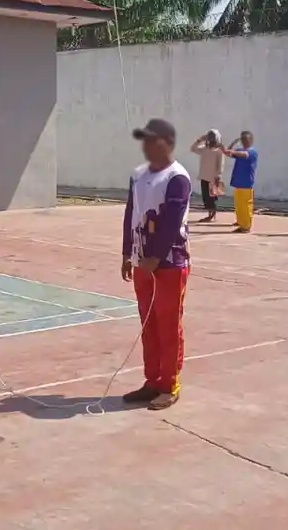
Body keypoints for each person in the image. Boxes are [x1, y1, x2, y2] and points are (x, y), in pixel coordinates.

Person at [120, 118, 191, 411]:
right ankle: (152, 380)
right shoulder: (137, 176)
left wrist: (155, 257)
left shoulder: (178, 178)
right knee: (148, 324)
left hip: (170, 264)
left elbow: (173, 222)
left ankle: (170, 383)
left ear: (167, 143)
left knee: (168, 324)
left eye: (152, 140)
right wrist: (127, 253)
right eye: (144, 141)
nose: (147, 146)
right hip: (141, 263)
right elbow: (130, 214)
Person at [222, 131, 259, 233]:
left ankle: (246, 226)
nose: (244, 141)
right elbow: (227, 152)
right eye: (242, 139)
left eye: (246, 139)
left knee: (246, 205)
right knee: (239, 205)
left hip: (247, 183)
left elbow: (244, 154)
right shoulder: (239, 150)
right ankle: (240, 221)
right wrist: (234, 142)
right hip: (238, 181)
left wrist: (232, 151)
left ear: (251, 140)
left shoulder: (252, 152)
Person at [189, 129, 225, 223]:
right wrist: (199, 140)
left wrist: (218, 176)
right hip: (204, 176)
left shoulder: (219, 151)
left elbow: (220, 164)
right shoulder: (204, 149)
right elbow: (193, 149)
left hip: (213, 178)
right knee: (206, 197)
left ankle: (212, 215)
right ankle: (210, 214)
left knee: (212, 198)